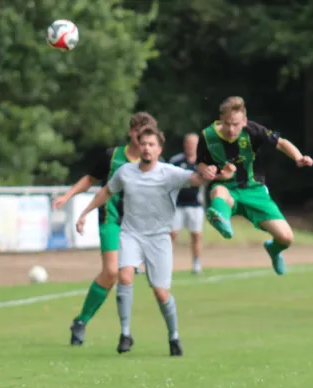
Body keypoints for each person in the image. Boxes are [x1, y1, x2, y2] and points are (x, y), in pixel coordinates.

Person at [75, 125, 207, 356]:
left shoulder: (170, 173)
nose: (146, 148)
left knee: (160, 292)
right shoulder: (125, 172)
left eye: (151, 145)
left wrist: (214, 173)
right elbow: (106, 192)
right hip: (131, 234)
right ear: (138, 146)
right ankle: (125, 334)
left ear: (159, 149)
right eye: (143, 144)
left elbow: (196, 179)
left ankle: (173, 335)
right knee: (124, 275)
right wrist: (85, 212)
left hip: (159, 238)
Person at [52, 112, 157, 346]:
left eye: (145, 134)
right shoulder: (113, 156)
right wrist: (68, 195)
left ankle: (123, 333)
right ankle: (81, 322)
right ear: (130, 133)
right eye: (137, 132)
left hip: (138, 225)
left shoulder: (153, 161)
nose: (141, 138)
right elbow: (90, 179)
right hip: (111, 219)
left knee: (125, 276)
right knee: (111, 272)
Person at [197, 96, 313, 275]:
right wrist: (207, 170)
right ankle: (222, 220)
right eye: (227, 123)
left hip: (254, 190)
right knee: (218, 191)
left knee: (286, 238)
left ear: (244, 121)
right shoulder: (207, 135)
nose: (230, 129)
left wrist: (298, 157)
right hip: (226, 187)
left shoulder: (253, 130)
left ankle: (274, 250)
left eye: (235, 124)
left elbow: (280, 143)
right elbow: (200, 162)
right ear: (220, 119)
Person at [169, 133, 204, 274]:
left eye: (193, 143)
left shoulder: (202, 162)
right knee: (172, 234)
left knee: (196, 235)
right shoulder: (176, 161)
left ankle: (196, 263)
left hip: (195, 205)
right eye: (188, 142)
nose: (190, 145)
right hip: (177, 205)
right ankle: (167, 263)